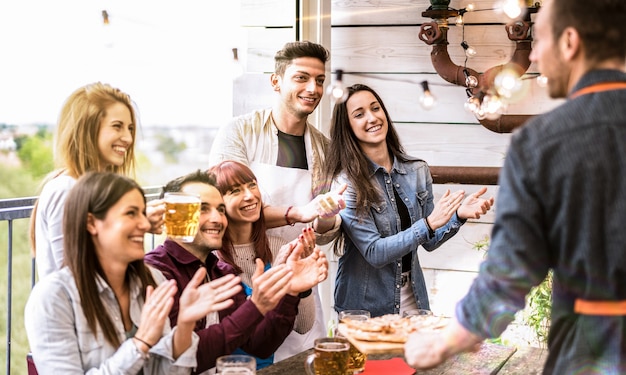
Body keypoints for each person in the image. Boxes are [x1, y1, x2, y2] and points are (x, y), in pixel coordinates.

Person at [403, 0, 626, 373]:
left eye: (539, 40)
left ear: (570, 42)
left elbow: (512, 268)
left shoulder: (543, 142)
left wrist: (449, 339)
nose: (534, 53)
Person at [24, 171, 242, 374]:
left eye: (142, 213)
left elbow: (166, 372)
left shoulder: (150, 279)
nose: (145, 223)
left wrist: (185, 326)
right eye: (131, 214)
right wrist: (140, 343)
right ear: (91, 222)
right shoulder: (53, 298)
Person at [208, 40, 345, 360]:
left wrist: (327, 215)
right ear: (276, 81)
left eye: (320, 80)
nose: (313, 88)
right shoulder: (239, 133)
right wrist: (297, 213)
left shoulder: (324, 150)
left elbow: (323, 230)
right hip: (241, 275)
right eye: (301, 77)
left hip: (299, 284)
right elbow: (220, 208)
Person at [323, 83, 494, 318]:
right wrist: (428, 224)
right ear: (348, 127)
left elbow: (430, 240)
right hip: (363, 309)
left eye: (376, 108)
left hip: (413, 296)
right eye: (359, 114)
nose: (372, 118)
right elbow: (374, 252)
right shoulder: (347, 183)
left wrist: (458, 215)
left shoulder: (417, 170)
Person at [144, 169, 329, 373]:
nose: (217, 219)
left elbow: (260, 345)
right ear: (173, 216)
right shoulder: (156, 270)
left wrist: (291, 292)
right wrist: (256, 306)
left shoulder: (221, 272)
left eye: (221, 210)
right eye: (202, 209)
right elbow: (188, 356)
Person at [30, 82, 165, 280]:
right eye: (117, 126)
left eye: (130, 128)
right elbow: (72, 276)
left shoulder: (100, 190)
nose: (128, 138)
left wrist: (136, 222)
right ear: (86, 129)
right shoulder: (65, 190)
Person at [209, 160, 319, 369]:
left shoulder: (278, 246)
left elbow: (304, 326)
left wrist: (301, 283)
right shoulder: (212, 259)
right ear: (218, 204)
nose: (250, 196)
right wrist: (277, 276)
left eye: (252, 185)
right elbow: (235, 334)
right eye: (235, 191)